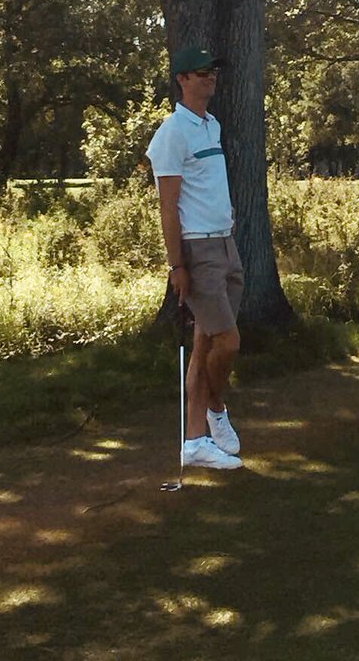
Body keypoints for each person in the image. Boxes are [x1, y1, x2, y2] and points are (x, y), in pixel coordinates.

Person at [146, 46, 244, 470]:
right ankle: (216, 409)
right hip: (197, 249)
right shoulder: (172, 132)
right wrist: (176, 265)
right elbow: (168, 206)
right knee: (228, 341)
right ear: (182, 79)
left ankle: (194, 442)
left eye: (213, 72)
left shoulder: (212, 125)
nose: (210, 79)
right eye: (201, 73)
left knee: (205, 342)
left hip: (226, 243)